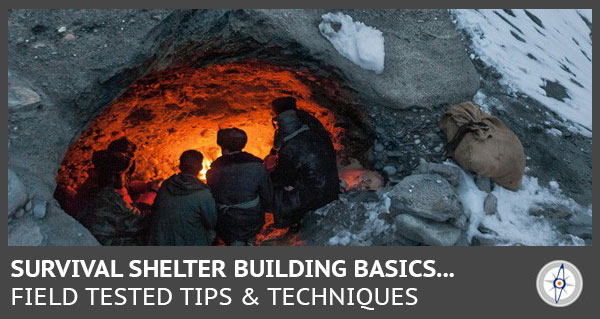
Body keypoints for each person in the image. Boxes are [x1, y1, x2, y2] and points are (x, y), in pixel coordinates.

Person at [269, 108, 339, 231]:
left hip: (317, 195)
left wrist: (267, 176)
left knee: (277, 192)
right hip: (332, 188)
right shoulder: (313, 135)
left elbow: (281, 178)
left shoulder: (291, 147)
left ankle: (290, 222)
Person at [206, 128, 273, 246]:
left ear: (223, 148)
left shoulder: (213, 171)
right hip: (253, 221)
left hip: (228, 224)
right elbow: (267, 197)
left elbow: (213, 200)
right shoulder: (258, 167)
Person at [81, 149, 151, 246]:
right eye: (124, 173)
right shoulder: (109, 198)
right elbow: (141, 221)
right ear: (115, 176)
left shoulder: (94, 191)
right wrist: (154, 194)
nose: (125, 177)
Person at [148, 150, 217, 246]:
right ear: (200, 168)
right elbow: (213, 222)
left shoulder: (166, 184)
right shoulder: (203, 193)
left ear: (179, 166)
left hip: (160, 242)